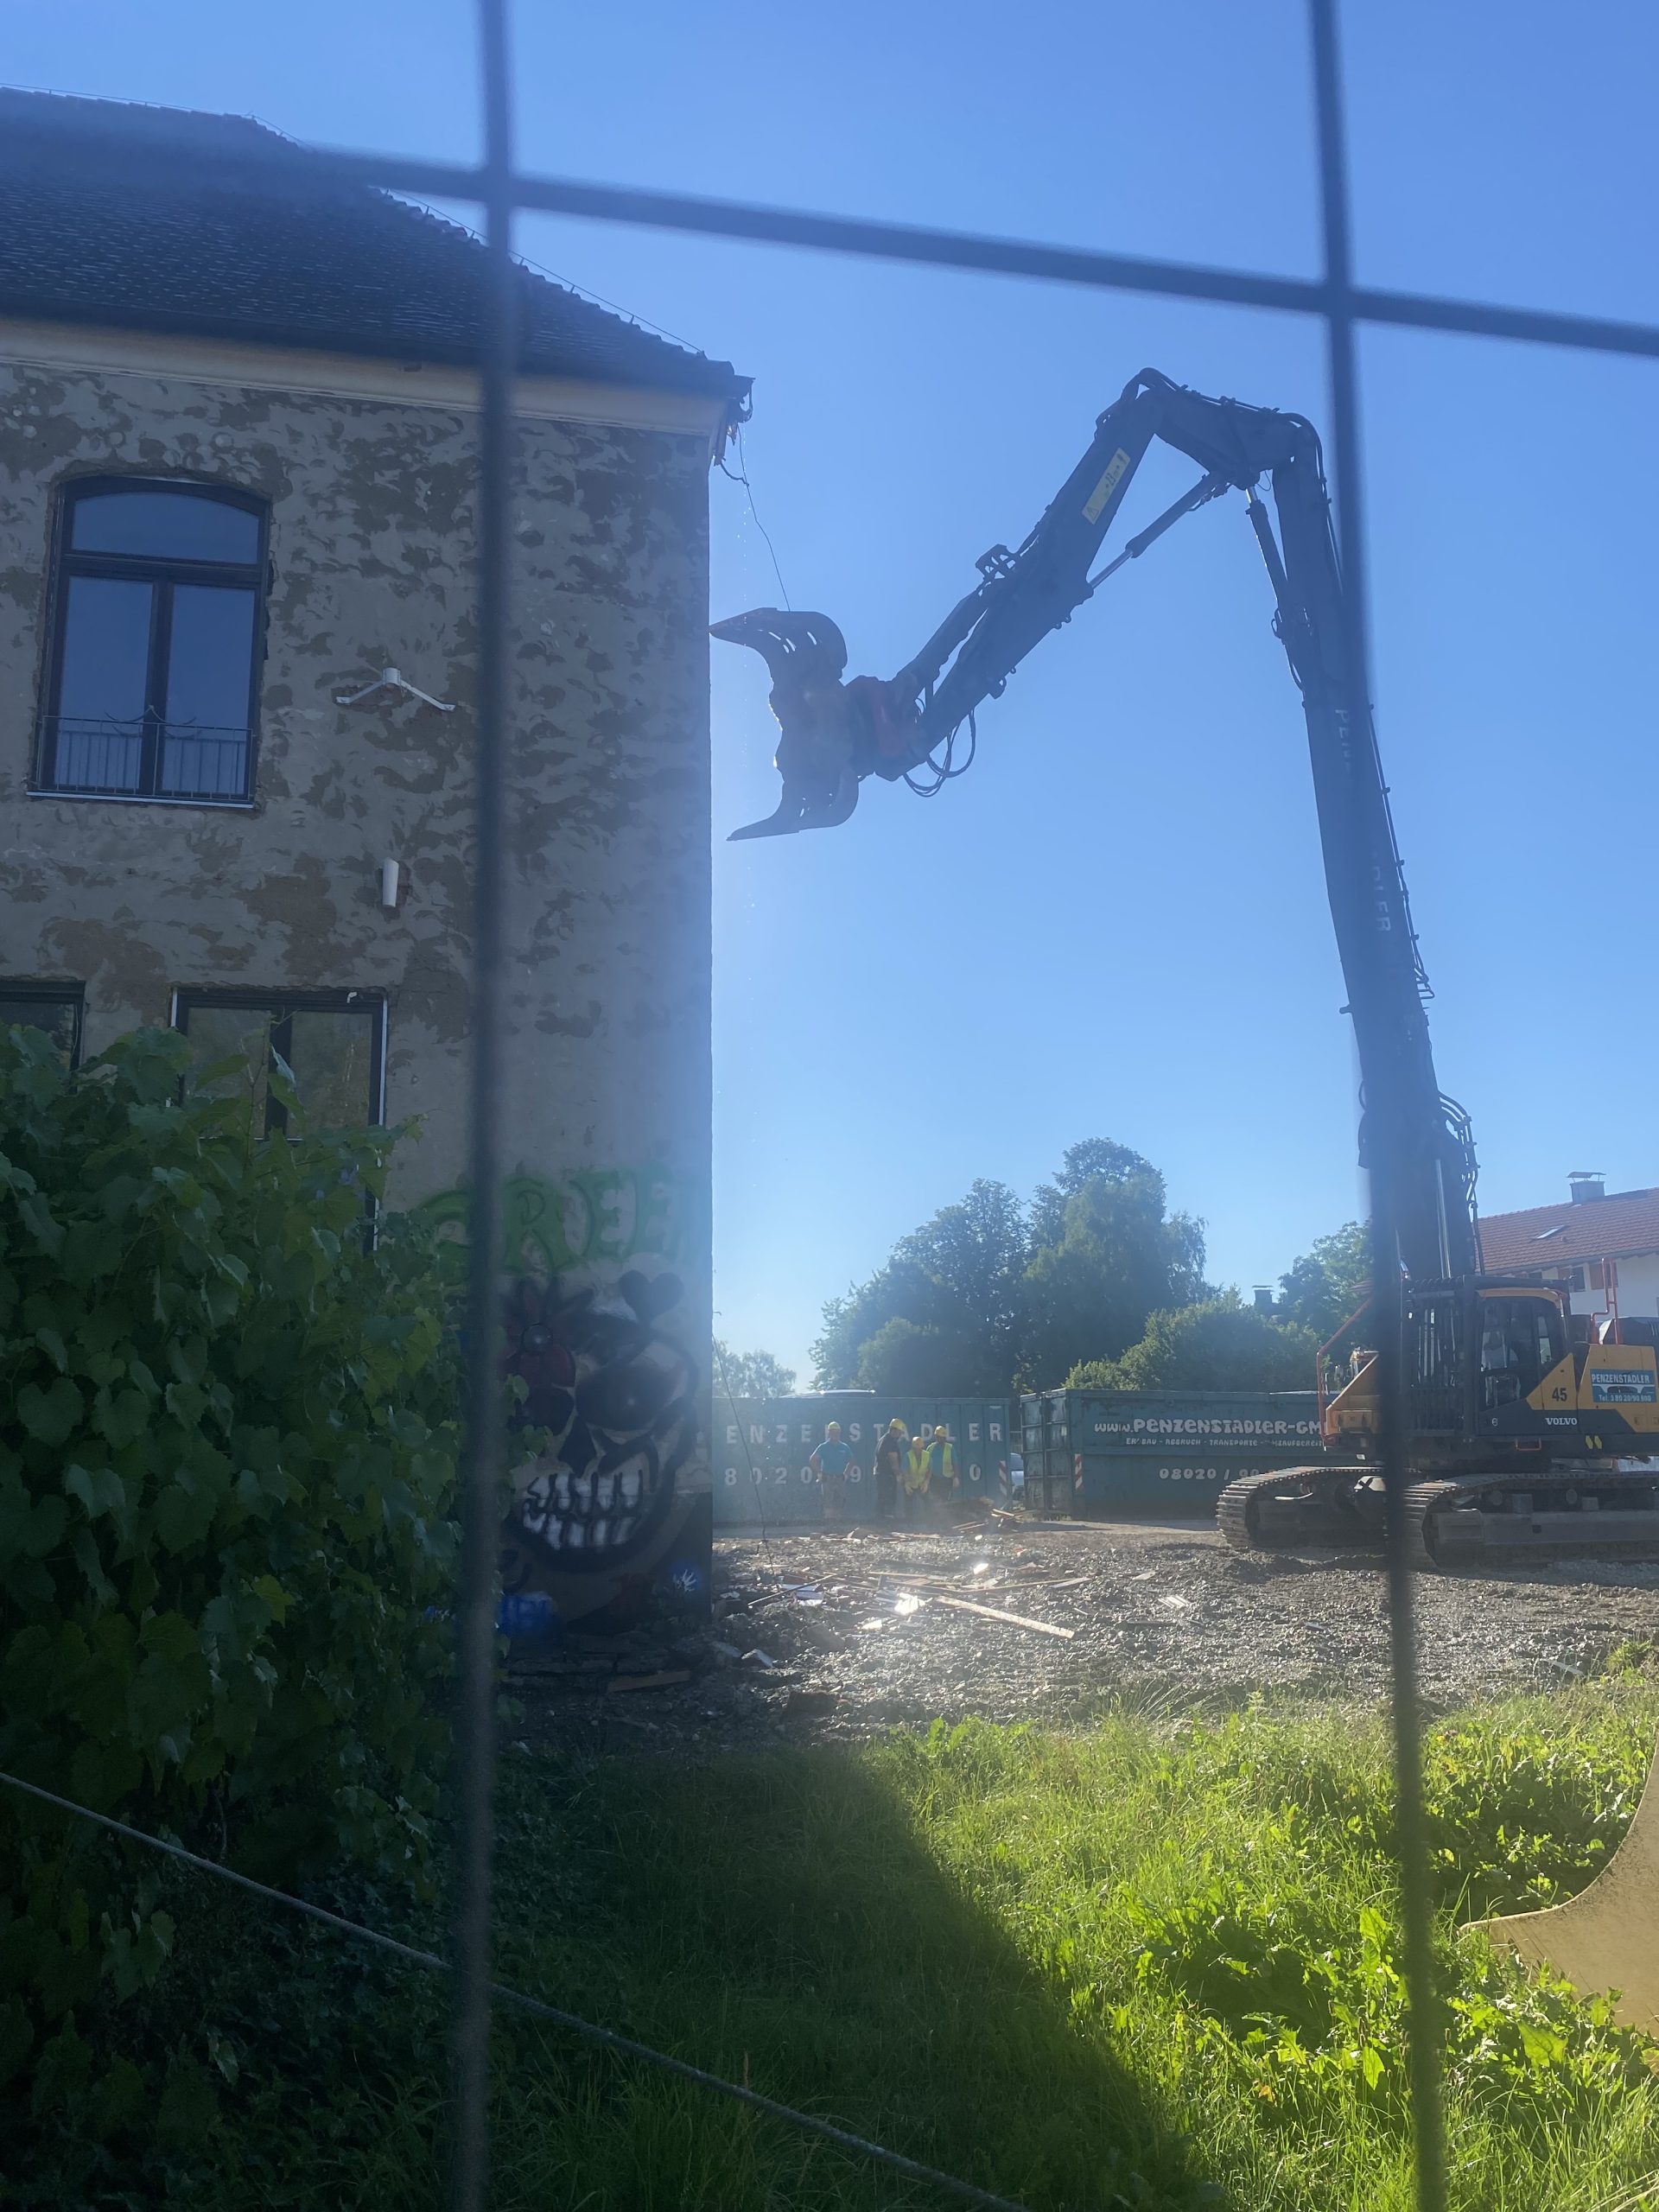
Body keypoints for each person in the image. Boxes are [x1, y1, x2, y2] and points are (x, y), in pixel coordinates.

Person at [810, 1421, 853, 1528]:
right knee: (828, 1501)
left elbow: (851, 1461)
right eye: (832, 1432)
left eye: (837, 1432)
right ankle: (829, 1524)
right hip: (827, 1478)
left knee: (840, 1500)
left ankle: (838, 1524)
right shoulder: (824, 1447)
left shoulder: (844, 1447)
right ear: (829, 1433)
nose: (835, 1435)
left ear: (840, 1433)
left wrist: (846, 1474)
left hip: (840, 1478)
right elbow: (813, 1459)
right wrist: (819, 1473)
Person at [873, 1417, 906, 1523]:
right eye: (900, 1432)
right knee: (889, 1499)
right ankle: (887, 1523)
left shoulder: (883, 1439)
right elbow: (893, 1460)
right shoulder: (890, 1441)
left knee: (882, 1498)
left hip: (881, 1474)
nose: (900, 1435)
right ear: (894, 1430)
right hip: (887, 1475)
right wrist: (899, 1475)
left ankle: (881, 1521)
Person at [903, 1428, 931, 1526]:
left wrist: (926, 1482)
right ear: (913, 1448)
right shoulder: (908, 1456)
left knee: (928, 1502)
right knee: (908, 1504)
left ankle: (930, 1522)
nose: (917, 1451)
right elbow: (905, 1471)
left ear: (922, 1447)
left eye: (919, 1449)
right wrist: (906, 1483)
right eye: (915, 1448)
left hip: (922, 1483)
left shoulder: (927, 1455)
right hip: (911, 1483)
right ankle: (909, 1523)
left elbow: (929, 1470)